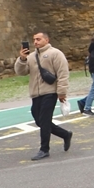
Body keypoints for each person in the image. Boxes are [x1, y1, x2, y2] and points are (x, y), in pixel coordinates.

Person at [15, 31, 72, 161]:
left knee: (45, 120)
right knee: (39, 121)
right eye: (34, 39)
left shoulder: (55, 54)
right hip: (36, 93)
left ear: (46, 40)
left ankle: (44, 149)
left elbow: (63, 73)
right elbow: (21, 72)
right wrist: (22, 59)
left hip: (50, 92)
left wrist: (62, 92)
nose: (35, 42)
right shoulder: (31, 56)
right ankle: (65, 134)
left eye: (38, 39)